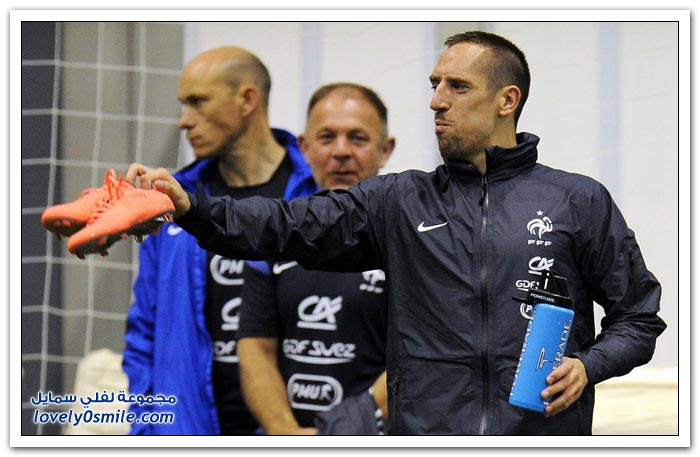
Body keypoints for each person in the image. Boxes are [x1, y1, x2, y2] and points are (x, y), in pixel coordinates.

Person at [125, 31, 667, 435]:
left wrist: (587, 366)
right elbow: (286, 224)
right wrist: (191, 206)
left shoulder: (577, 199)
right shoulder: (400, 200)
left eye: (457, 86)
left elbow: (639, 318)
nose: (437, 100)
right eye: (435, 85)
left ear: (508, 100)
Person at [122, 46, 316, 435]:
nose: (184, 120)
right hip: (189, 431)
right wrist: (147, 429)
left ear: (247, 100)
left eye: (198, 102)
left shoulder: (315, 193)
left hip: (293, 430)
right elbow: (144, 331)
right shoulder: (171, 201)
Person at [236, 83, 395, 435]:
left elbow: (420, 355)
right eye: (326, 138)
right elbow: (255, 348)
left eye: (357, 138)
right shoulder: (276, 234)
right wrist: (286, 434)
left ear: (386, 150)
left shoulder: (412, 237)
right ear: (304, 147)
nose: (341, 152)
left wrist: (340, 433)